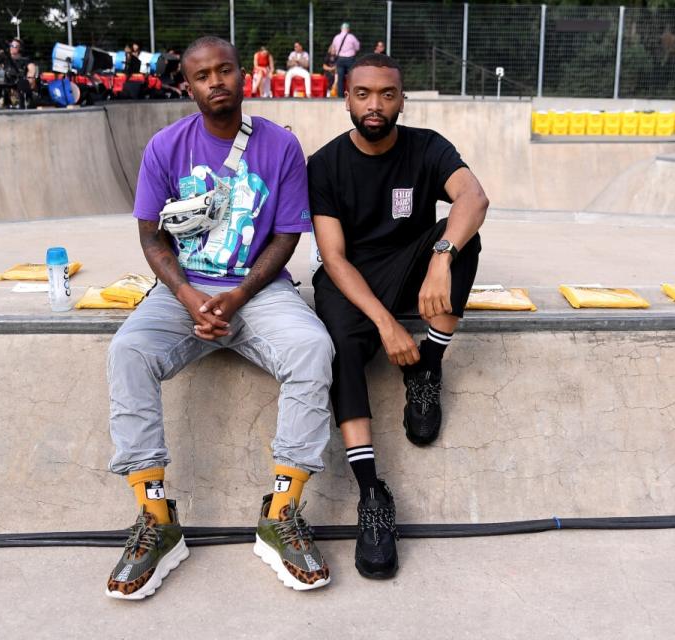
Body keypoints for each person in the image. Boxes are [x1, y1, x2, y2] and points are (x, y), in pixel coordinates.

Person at [105, 35, 334, 599]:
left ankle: (280, 513)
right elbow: (151, 236)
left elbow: (285, 235)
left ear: (243, 75)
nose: (216, 82)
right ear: (189, 85)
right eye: (203, 75)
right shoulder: (165, 147)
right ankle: (156, 520)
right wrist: (187, 296)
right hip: (183, 294)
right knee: (127, 351)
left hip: (259, 292)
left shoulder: (279, 146)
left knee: (312, 348)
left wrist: (237, 296)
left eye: (225, 70)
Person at [307, 54, 487, 579]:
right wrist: (385, 323)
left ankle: (428, 365)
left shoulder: (426, 146)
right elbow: (333, 257)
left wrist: (441, 256)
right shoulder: (325, 164)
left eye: (387, 94)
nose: (375, 105)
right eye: (363, 94)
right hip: (351, 280)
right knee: (338, 348)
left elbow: (473, 197)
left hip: (412, 266)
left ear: (401, 99)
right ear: (346, 97)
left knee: (464, 237)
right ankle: (373, 496)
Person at [329, 22, 360, 97]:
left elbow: (333, 48)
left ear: (341, 29)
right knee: (351, 77)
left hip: (340, 59)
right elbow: (357, 47)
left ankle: (340, 96)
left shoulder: (336, 37)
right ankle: (352, 95)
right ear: (348, 29)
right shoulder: (351, 37)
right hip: (350, 58)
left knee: (340, 78)